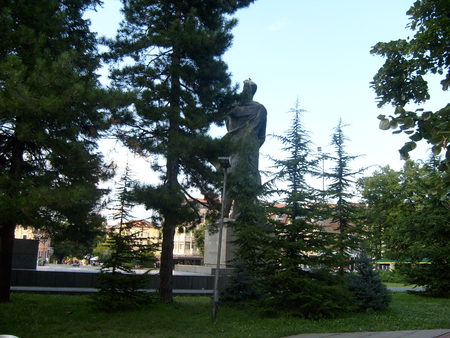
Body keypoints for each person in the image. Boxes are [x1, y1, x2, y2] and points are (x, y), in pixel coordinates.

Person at [224, 79, 267, 218]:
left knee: (230, 178)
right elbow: (262, 136)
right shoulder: (260, 109)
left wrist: (236, 138)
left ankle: (226, 212)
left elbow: (228, 127)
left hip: (235, 147)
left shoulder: (232, 108)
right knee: (248, 178)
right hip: (250, 149)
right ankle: (238, 212)